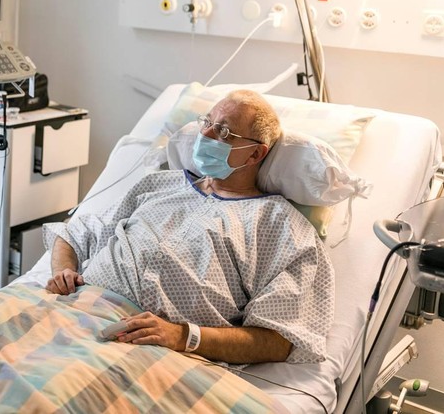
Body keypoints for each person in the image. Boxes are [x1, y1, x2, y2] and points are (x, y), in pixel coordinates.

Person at [44, 90, 334, 365]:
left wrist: (183, 336)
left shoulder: (279, 225)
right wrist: (63, 272)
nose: (205, 134)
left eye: (224, 131)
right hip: (70, 310)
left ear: (255, 155)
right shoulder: (159, 184)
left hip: (149, 350)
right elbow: (75, 233)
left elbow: (279, 340)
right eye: (207, 122)